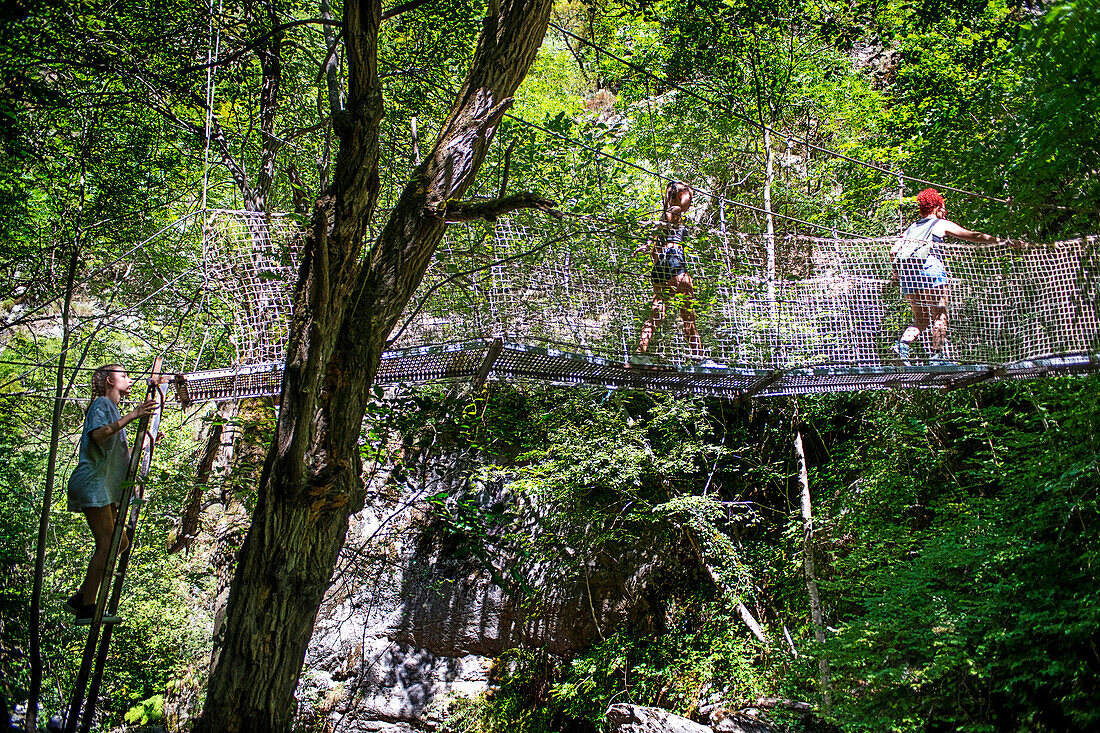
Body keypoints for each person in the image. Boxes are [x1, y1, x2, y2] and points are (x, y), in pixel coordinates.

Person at [63, 364, 157, 625]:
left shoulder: (112, 410)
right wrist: (134, 414)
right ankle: (86, 607)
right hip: (93, 484)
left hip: (104, 487)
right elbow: (99, 436)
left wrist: (147, 440)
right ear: (108, 381)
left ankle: (82, 596)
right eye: (123, 375)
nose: (128, 379)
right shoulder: (102, 405)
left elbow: (117, 450)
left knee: (120, 542)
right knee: (107, 544)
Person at [889, 188, 1004, 365]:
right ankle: (937, 358)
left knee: (921, 319)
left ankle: (902, 345)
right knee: (939, 316)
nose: (945, 212)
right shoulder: (939, 224)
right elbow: (972, 236)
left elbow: (894, 250)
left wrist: (896, 275)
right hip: (930, 270)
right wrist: (1001, 241)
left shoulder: (911, 228)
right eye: (943, 208)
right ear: (935, 207)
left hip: (908, 275)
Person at [631, 204, 704, 363]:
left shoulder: (666, 227)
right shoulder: (675, 210)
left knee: (657, 314)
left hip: (660, 268)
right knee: (688, 315)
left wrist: (648, 244)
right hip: (674, 262)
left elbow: (654, 250)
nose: (690, 201)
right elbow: (664, 220)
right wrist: (648, 242)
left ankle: (639, 353)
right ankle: (700, 359)